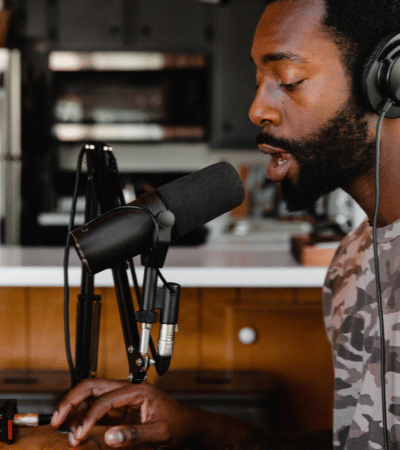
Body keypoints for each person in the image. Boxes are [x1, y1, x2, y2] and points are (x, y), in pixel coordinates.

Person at [50, 0, 400, 448]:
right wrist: (200, 430)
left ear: (388, 80)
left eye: (288, 80)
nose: (257, 110)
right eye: (258, 81)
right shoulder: (350, 263)